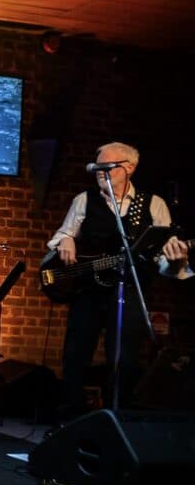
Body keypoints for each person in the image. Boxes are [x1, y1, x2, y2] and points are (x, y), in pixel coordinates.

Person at [48, 141, 191, 421]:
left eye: (108, 168)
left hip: (131, 291)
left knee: (124, 359)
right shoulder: (84, 199)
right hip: (88, 291)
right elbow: (63, 234)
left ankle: (118, 420)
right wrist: (65, 239)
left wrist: (176, 261)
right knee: (76, 354)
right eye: (97, 168)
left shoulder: (154, 205)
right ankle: (71, 418)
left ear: (129, 168)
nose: (100, 173)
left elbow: (163, 260)